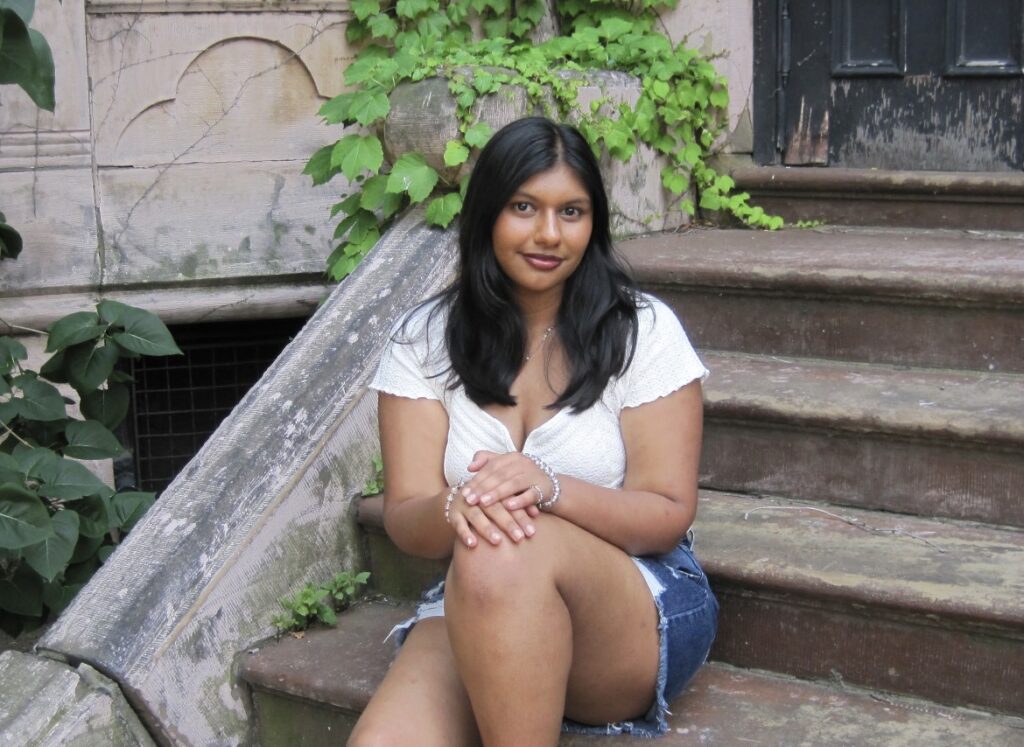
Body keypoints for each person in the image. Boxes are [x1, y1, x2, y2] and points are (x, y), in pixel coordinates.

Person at [349, 116, 717, 746]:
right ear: (488, 213)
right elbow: (407, 517)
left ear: (593, 222)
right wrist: (456, 506)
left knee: (501, 548)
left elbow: (667, 514)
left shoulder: (642, 331)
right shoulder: (423, 340)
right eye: (524, 207)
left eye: (571, 211)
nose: (549, 234)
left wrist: (545, 487)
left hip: (633, 600)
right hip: (482, 595)